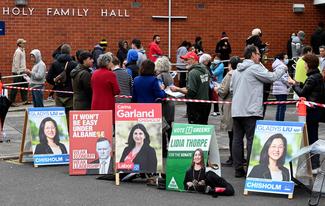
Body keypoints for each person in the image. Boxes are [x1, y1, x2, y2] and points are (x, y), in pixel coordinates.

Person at [231, 45, 286, 177]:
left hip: (237, 109)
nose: (260, 56)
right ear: (252, 55)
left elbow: (232, 89)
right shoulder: (254, 68)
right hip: (251, 110)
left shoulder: (236, 71)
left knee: (237, 139)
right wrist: (282, 67)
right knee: (251, 140)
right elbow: (272, 77)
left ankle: (238, 170)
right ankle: (250, 169)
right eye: (258, 54)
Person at [289, 54, 325, 173]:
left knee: (311, 138)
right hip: (316, 111)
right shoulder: (317, 76)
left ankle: (314, 165)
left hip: (311, 112)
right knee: (312, 136)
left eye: (305, 63)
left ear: (309, 64)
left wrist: (294, 84)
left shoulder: (312, 78)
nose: (303, 65)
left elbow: (302, 93)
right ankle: (314, 165)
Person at [170, 52, 211, 124]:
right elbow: (199, 86)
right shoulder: (205, 70)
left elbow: (191, 91)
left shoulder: (193, 73)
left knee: (195, 130)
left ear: (193, 59)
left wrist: (177, 89)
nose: (184, 62)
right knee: (203, 128)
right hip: (205, 103)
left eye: (186, 59)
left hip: (195, 106)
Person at [217, 56, 242, 167]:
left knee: (232, 135)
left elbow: (223, 91)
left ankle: (233, 158)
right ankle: (240, 158)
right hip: (241, 106)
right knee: (239, 135)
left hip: (230, 106)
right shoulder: (243, 73)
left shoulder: (230, 74)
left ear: (231, 65)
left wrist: (217, 89)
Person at [46, 44, 77, 122]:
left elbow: (48, 78)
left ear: (61, 51)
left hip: (59, 92)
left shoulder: (55, 64)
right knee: (70, 114)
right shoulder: (74, 64)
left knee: (59, 115)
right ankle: (69, 131)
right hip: (70, 92)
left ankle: (61, 131)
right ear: (70, 52)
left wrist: (56, 83)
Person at [155, 56, 175, 157]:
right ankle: (171, 148)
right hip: (171, 103)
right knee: (170, 127)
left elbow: (160, 90)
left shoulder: (160, 76)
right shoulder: (169, 75)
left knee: (163, 127)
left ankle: (164, 150)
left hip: (164, 104)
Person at [272, 53, 290, 121]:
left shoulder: (276, 66)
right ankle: (280, 122)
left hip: (277, 89)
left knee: (279, 107)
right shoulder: (282, 66)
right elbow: (284, 78)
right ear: (281, 59)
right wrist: (290, 84)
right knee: (282, 107)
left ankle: (278, 122)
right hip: (282, 89)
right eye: (286, 58)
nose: (287, 60)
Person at [10, 38, 28, 106]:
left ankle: (25, 100)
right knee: (15, 87)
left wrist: (24, 70)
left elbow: (22, 62)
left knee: (24, 85)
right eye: (23, 43)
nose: (24, 44)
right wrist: (18, 72)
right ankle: (11, 102)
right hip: (18, 72)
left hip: (23, 71)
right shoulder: (18, 51)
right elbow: (16, 63)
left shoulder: (23, 50)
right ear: (19, 44)